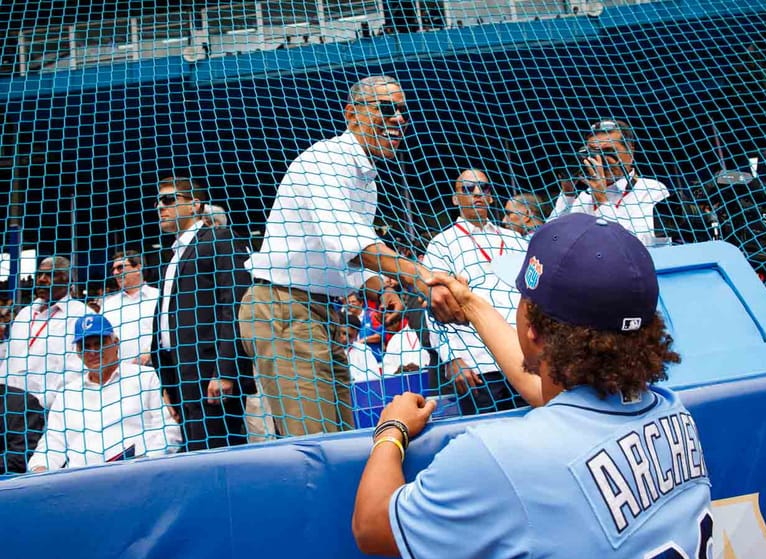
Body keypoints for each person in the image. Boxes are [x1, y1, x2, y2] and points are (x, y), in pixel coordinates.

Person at [353, 214, 712, 559]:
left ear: (534, 331)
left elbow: (372, 526)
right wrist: (473, 307)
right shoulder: (672, 412)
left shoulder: (498, 456)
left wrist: (391, 431)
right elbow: (546, 393)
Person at [239, 75, 464, 437]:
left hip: (320, 314)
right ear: (352, 114)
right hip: (283, 307)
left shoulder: (366, 180)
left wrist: (382, 291)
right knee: (317, 440)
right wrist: (418, 275)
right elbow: (346, 238)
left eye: (403, 112)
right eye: (386, 109)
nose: (398, 119)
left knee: (342, 434)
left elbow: (344, 258)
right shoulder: (328, 159)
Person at [152, 176, 256, 451]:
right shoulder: (174, 255)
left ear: (194, 205)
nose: (159, 207)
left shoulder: (219, 239)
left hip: (210, 375)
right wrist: (168, 382)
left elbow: (234, 305)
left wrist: (226, 371)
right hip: (181, 376)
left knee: (220, 457)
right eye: (157, 202)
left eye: (169, 200)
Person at [422, 168, 528, 414]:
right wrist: (451, 358)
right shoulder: (442, 243)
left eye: (484, 188)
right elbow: (434, 306)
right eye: (468, 189)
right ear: (455, 199)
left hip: (523, 358)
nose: (478, 193)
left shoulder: (514, 240)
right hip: (479, 364)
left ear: (491, 197)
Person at [28, 314, 181, 472]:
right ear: (78, 352)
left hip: (139, 475)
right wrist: (39, 467)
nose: (92, 352)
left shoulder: (146, 377)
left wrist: (148, 466)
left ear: (116, 343)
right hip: (79, 483)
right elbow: (52, 443)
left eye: (99, 343)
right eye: (85, 346)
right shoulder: (67, 394)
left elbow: (169, 429)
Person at [548, 119, 670, 243]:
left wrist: (602, 199)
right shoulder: (585, 197)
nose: (600, 159)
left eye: (608, 152)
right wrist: (568, 193)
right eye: (593, 152)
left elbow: (639, 245)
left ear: (630, 151)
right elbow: (552, 238)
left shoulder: (652, 190)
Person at [0, 256, 89, 410]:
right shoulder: (25, 314)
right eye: (39, 274)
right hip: (10, 410)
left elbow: (77, 370)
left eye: (49, 275)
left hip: (50, 411)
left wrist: (42, 405)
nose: (41, 280)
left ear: (67, 280)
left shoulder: (80, 315)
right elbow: (8, 361)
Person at [100, 250, 159, 366]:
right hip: (118, 375)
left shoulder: (159, 298)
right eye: (113, 269)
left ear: (138, 268)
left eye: (120, 267)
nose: (116, 273)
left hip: (154, 370)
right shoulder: (108, 305)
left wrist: (150, 353)